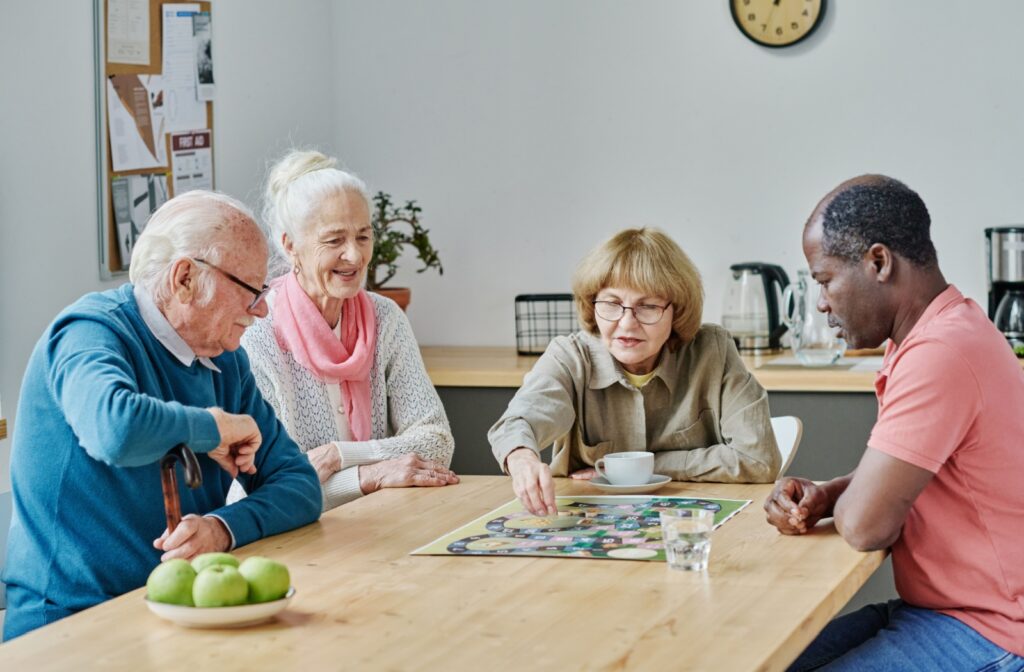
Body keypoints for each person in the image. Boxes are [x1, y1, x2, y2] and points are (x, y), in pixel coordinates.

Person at [2, 191, 321, 640]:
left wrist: (221, 529)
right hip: (68, 626)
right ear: (185, 277)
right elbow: (115, 429)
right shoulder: (89, 332)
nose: (263, 308)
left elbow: (299, 485)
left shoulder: (223, 360)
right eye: (251, 290)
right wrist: (214, 429)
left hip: (178, 616)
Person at [764, 175, 1024, 670]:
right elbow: (927, 473)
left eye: (824, 280)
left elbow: (865, 527)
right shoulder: (939, 332)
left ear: (878, 263)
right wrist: (833, 491)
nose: (821, 302)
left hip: (991, 630)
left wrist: (852, 502)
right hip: (940, 611)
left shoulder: (940, 353)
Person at [490, 228, 781, 516]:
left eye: (648, 306)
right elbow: (518, 422)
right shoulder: (570, 356)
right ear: (592, 305)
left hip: (692, 526)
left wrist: (640, 468)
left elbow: (759, 459)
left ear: (676, 312)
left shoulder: (712, 351)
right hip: (592, 524)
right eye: (612, 304)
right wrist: (521, 459)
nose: (627, 324)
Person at [240, 149, 456, 512]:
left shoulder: (385, 317)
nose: (354, 256)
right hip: (295, 537)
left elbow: (436, 441)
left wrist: (337, 456)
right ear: (290, 245)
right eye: (334, 240)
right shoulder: (258, 333)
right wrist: (369, 476)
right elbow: (268, 487)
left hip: (383, 522)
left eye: (363, 237)